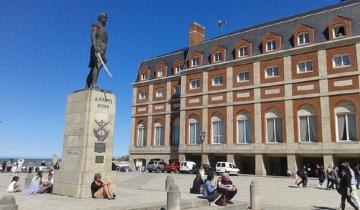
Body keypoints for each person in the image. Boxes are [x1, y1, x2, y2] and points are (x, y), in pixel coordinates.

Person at [86, 13, 108, 88]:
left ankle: (88, 84)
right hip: (97, 46)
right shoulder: (96, 25)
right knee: (96, 66)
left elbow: (105, 42)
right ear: (100, 18)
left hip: (103, 49)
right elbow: (93, 35)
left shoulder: (104, 29)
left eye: (106, 18)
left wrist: (104, 54)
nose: (105, 19)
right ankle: (93, 85)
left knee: (96, 67)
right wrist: (95, 45)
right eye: (104, 17)